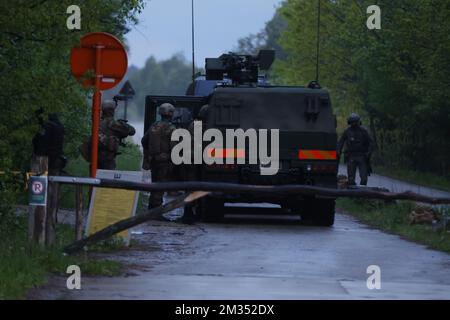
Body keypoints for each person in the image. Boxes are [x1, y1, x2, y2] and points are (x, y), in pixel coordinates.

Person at [141, 103, 176, 216]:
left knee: (155, 185)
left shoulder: (154, 126)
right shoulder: (171, 128)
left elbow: (144, 140)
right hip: (165, 162)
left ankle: (152, 210)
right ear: (170, 114)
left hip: (154, 160)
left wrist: (149, 153)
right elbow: (175, 146)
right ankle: (156, 214)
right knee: (160, 187)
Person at [337, 113, 374, 186]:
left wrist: (368, 153)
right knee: (351, 179)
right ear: (350, 122)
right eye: (352, 122)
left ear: (358, 122)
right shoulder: (347, 131)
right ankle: (352, 195)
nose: (354, 124)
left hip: (362, 156)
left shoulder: (364, 131)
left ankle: (362, 194)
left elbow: (371, 143)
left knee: (364, 178)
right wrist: (338, 151)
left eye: (355, 122)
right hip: (351, 156)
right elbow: (340, 142)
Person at [97, 100, 136, 170]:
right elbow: (132, 131)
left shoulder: (97, 122)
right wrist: (122, 123)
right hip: (108, 159)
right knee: (107, 178)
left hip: (95, 158)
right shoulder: (114, 124)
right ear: (112, 111)